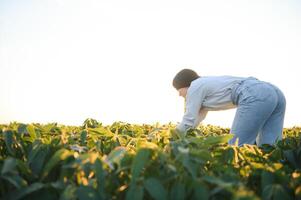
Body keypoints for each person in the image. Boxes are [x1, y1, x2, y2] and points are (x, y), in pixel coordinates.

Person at [173, 69, 286, 146]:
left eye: (179, 90)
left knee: (236, 147)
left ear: (185, 84)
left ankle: (242, 180)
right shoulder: (204, 86)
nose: (179, 95)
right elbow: (194, 121)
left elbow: (188, 119)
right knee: (270, 146)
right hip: (273, 91)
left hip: (254, 93)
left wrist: (172, 138)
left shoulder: (194, 87)